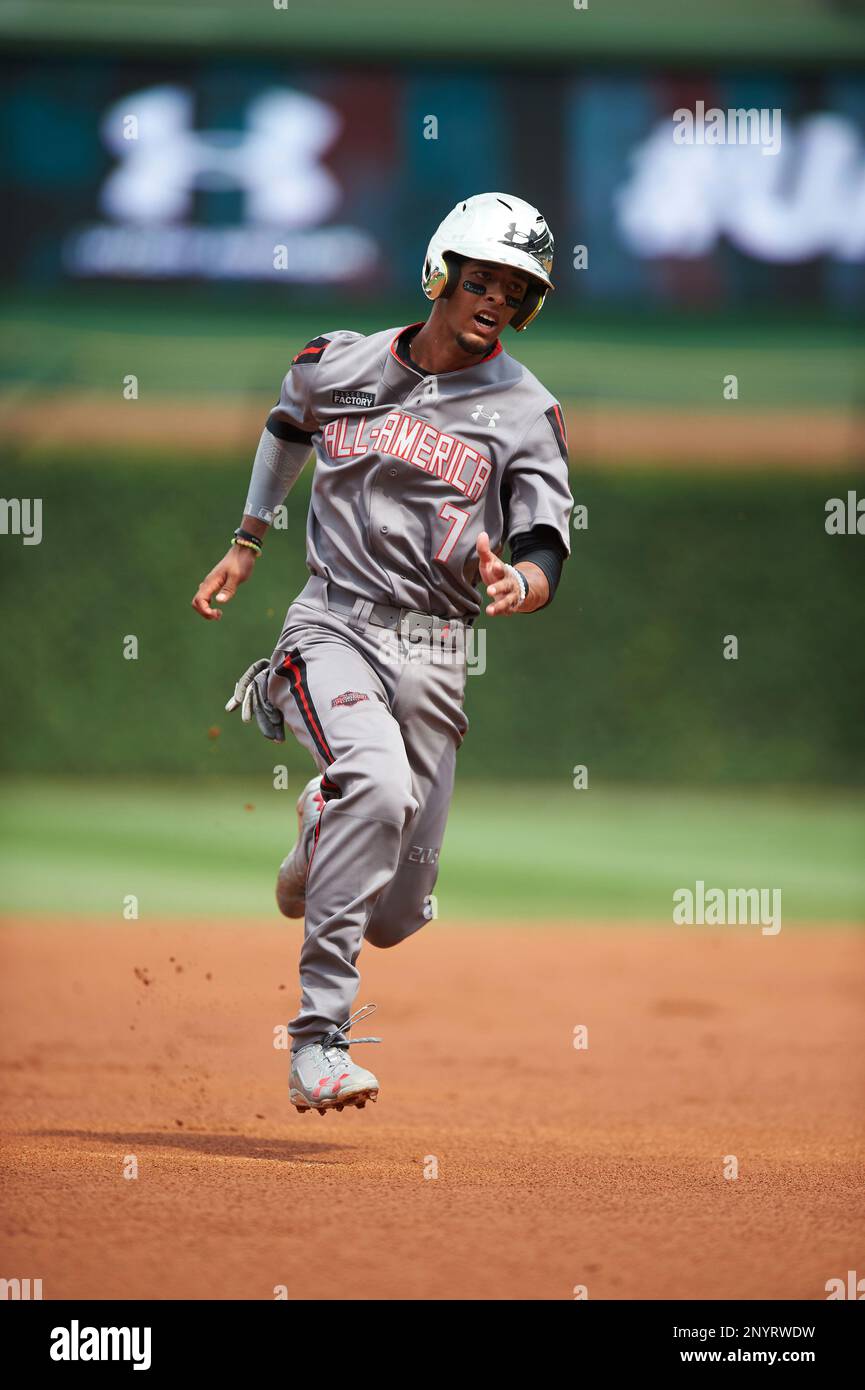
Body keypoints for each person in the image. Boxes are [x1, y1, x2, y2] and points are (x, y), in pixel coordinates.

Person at [192, 193, 573, 1114]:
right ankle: (316, 1041)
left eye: (515, 289)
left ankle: (320, 831)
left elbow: (545, 541)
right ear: (441, 272)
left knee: (397, 915)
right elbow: (288, 426)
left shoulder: (526, 409)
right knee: (378, 781)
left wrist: (523, 584)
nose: (494, 300)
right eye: (480, 278)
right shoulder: (338, 361)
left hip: (439, 653)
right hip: (333, 622)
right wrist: (249, 537)